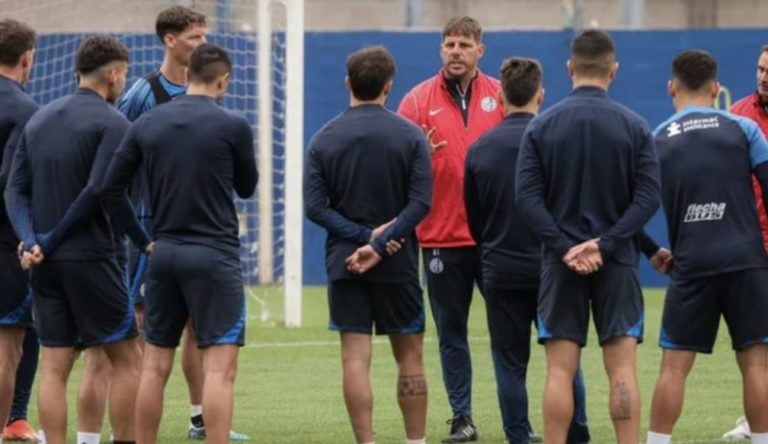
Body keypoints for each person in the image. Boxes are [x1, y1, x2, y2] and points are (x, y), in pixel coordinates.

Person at [102, 43, 257, 444]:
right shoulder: (233, 124)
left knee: (153, 367)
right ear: (223, 80)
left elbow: (109, 189)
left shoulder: (147, 124)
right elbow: (247, 186)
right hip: (215, 256)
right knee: (220, 370)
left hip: (163, 254)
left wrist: (141, 240)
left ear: (187, 75)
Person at [515, 29, 661, 444]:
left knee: (559, 370)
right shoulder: (634, 127)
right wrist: (607, 243)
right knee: (622, 371)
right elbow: (648, 197)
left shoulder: (542, 127)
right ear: (614, 70)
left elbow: (526, 199)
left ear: (569, 68)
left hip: (560, 266)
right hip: (617, 263)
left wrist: (565, 249)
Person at [4, 35, 149, 444]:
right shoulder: (114, 123)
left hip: (44, 266)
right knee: (126, 357)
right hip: (91, 258)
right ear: (115, 74)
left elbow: (15, 191)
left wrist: (32, 241)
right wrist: (47, 242)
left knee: (54, 364)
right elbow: (99, 192)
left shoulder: (39, 118)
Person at [305, 46, 432, 444]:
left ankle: (366, 441)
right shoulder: (411, 136)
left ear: (348, 83)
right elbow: (421, 203)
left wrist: (363, 239)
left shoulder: (324, 139)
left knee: (355, 359)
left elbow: (314, 208)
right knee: (409, 355)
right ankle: (416, 441)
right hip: (398, 262)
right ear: (389, 86)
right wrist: (383, 241)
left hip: (346, 261)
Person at [463, 56, 590, 444]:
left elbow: (474, 221)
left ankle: (518, 436)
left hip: (501, 267)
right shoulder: (557, 142)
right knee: (565, 361)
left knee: (509, 363)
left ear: (500, 96)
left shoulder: (480, 149)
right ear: (541, 95)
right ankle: (576, 434)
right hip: (553, 268)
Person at [645, 50, 768, 444]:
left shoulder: (657, 138)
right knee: (755, 364)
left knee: (674, 368)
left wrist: (651, 250)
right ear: (717, 89)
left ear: (671, 88)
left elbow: (628, 210)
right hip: (747, 261)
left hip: (691, 263)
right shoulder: (745, 129)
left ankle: (657, 442)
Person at [397, 16, 504, 443]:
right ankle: (462, 418)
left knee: (510, 333)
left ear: (481, 50)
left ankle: (519, 418)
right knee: (451, 335)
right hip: (441, 238)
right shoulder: (417, 101)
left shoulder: (501, 95)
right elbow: (395, 162)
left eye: (463, 44)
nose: (455, 51)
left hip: (495, 238)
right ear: (440, 50)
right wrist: (416, 154)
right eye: (448, 44)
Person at [722, 43, 768, 443]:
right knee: (755, 338)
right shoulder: (738, 115)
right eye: (760, 68)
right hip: (752, 243)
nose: (764, 76)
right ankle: (755, 421)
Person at [0, 18, 39, 444]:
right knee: (9, 341)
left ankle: (16, 421)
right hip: (6, 240)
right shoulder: (26, 110)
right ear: (27, 57)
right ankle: (9, 421)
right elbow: (12, 182)